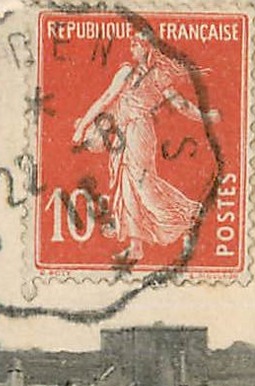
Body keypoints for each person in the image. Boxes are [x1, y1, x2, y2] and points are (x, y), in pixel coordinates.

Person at [72, 34, 220, 264]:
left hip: (139, 133)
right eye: (132, 44)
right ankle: (136, 246)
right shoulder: (125, 72)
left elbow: (181, 104)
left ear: (149, 48)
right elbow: (106, 99)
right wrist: (82, 126)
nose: (133, 48)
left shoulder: (160, 76)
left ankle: (181, 217)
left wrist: (205, 117)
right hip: (122, 133)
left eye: (138, 44)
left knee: (142, 186)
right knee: (126, 185)